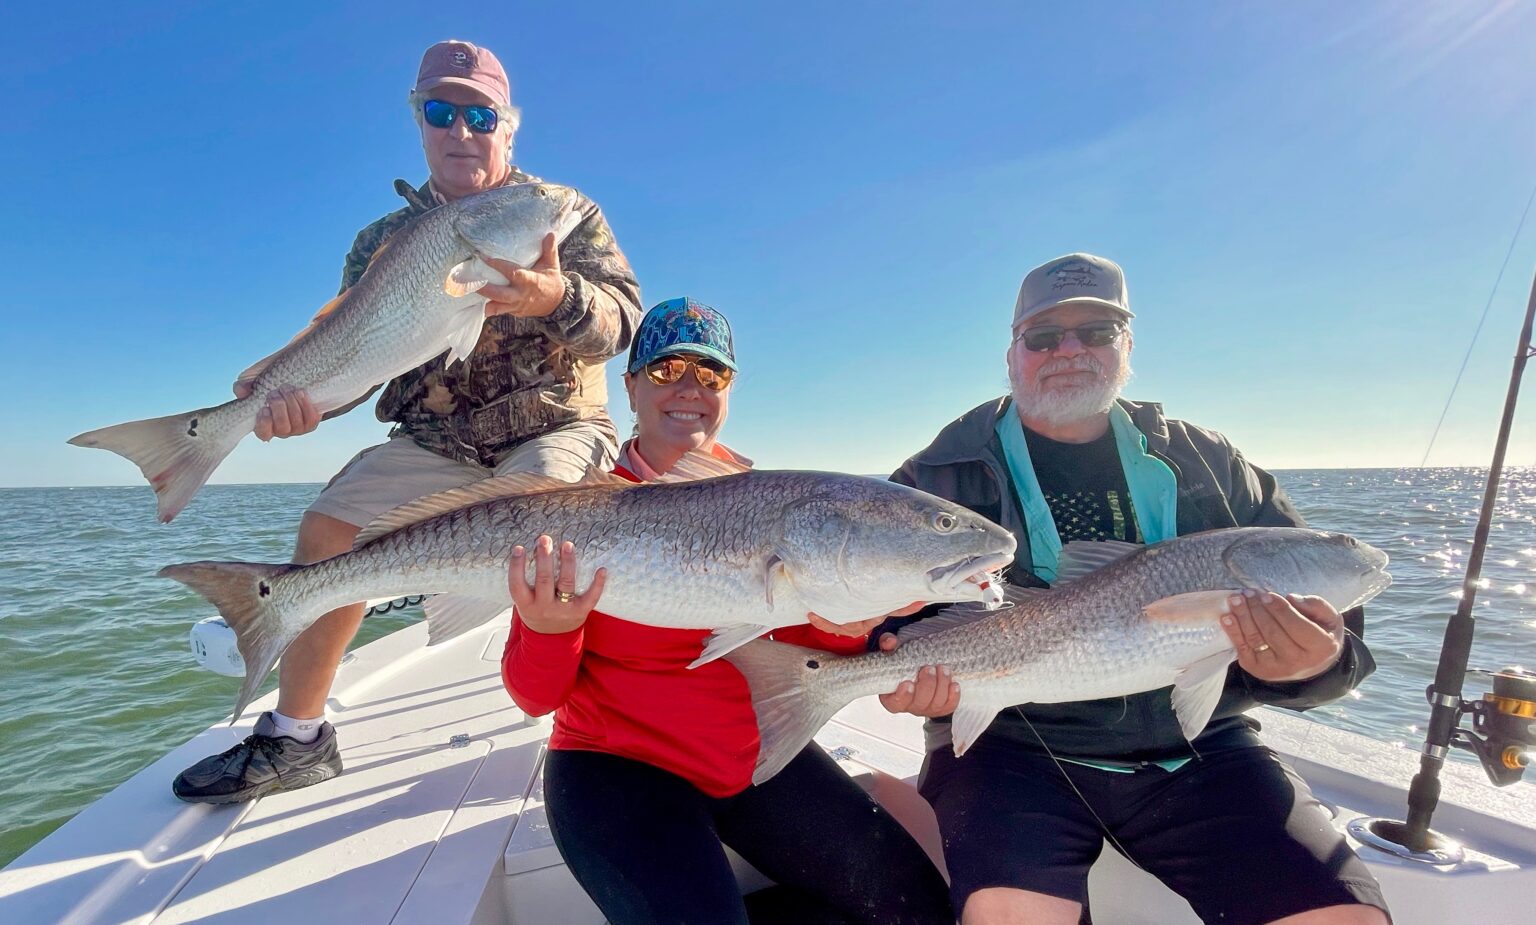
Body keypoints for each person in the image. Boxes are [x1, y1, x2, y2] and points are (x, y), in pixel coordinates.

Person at [172, 39, 643, 803]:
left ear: (509, 127)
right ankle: (296, 735)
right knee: (328, 526)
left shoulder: (558, 208)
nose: (461, 130)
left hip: (554, 426)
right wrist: (301, 401)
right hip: (436, 441)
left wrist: (554, 297)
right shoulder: (380, 241)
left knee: (539, 524)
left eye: (480, 116)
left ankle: (596, 726)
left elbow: (622, 322)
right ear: (418, 122)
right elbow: (358, 358)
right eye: (441, 111)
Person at [874, 254, 1390, 925]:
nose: (1069, 351)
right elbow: (879, 620)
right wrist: (893, 665)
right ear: (1011, 354)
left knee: (1337, 916)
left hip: (1203, 748)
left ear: (1128, 345)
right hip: (1008, 747)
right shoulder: (936, 478)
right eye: (1043, 336)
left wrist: (1315, 662)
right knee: (1007, 914)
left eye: (1097, 331)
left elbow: (1342, 643)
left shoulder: (1211, 461)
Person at [502, 298, 953, 925]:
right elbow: (534, 696)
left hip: (748, 756)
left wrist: (847, 629)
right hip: (613, 768)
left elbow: (803, 654)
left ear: (729, 391)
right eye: (666, 369)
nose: (690, 388)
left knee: (921, 911)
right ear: (630, 386)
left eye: (711, 373)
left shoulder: (777, 506)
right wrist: (550, 629)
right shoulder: (578, 512)